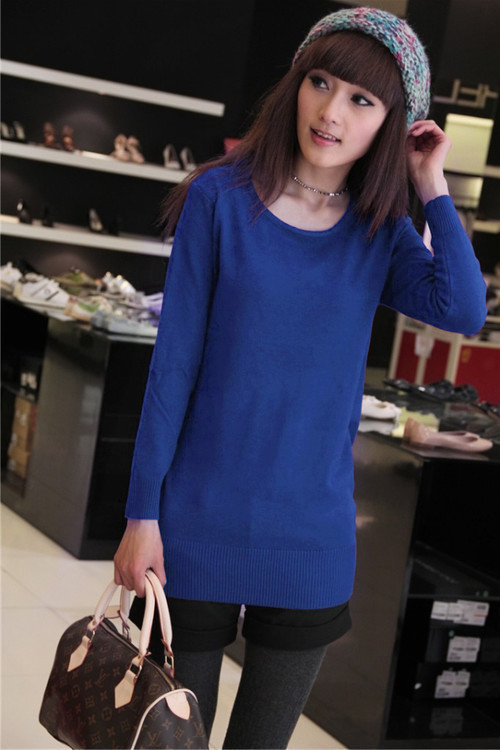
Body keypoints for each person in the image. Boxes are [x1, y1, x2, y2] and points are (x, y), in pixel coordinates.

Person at [114, 7, 487, 748]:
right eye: (321, 83)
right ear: (296, 83)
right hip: (193, 523)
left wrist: (431, 183)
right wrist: (140, 515)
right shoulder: (219, 198)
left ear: (393, 122)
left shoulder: (379, 230)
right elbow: (173, 367)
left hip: (310, 535)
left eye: (363, 100)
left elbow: (463, 308)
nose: (331, 112)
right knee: (172, 741)